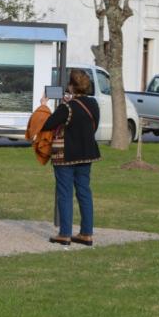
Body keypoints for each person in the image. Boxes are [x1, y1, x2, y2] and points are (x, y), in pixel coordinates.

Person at [40, 69, 101, 246]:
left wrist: (44, 105)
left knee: (65, 193)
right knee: (84, 192)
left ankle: (65, 233)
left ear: (71, 87)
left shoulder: (66, 107)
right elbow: (91, 125)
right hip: (87, 154)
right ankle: (86, 233)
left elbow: (47, 124)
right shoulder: (93, 104)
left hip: (66, 156)